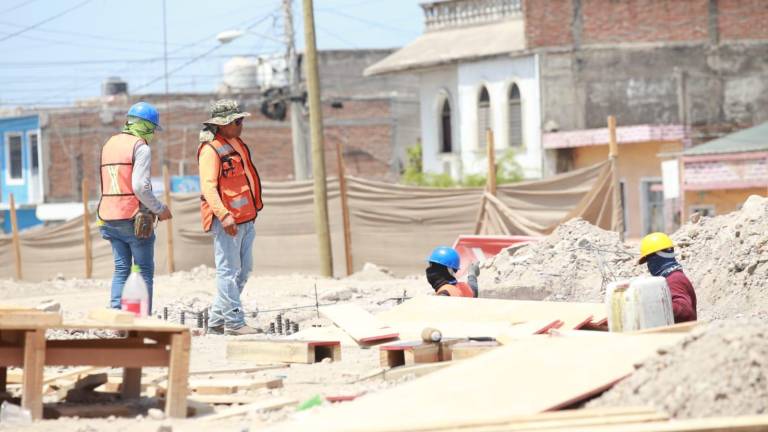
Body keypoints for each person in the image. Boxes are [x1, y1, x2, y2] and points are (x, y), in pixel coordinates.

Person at [98, 101, 172, 314]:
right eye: (152, 129)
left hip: (108, 216)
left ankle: (116, 314)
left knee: (121, 269)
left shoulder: (109, 144)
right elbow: (140, 187)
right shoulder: (140, 148)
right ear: (146, 125)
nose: (153, 134)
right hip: (133, 218)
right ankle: (141, 317)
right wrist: (159, 208)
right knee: (143, 270)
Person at [198, 99, 263, 335]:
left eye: (240, 120)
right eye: (237, 121)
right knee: (228, 272)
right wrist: (224, 215)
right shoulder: (211, 150)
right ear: (223, 124)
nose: (241, 124)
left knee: (243, 271)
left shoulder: (236, 143)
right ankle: (234, 322)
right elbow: (208, 187)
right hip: (227, 221)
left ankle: (216, 320)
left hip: (246, 218)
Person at [638, 232, 697, 323]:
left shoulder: (673, 280)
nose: (649, 265)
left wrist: (653, 307)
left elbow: (684, 310)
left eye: (649, 259)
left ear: (657, 257)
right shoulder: (673, 277)